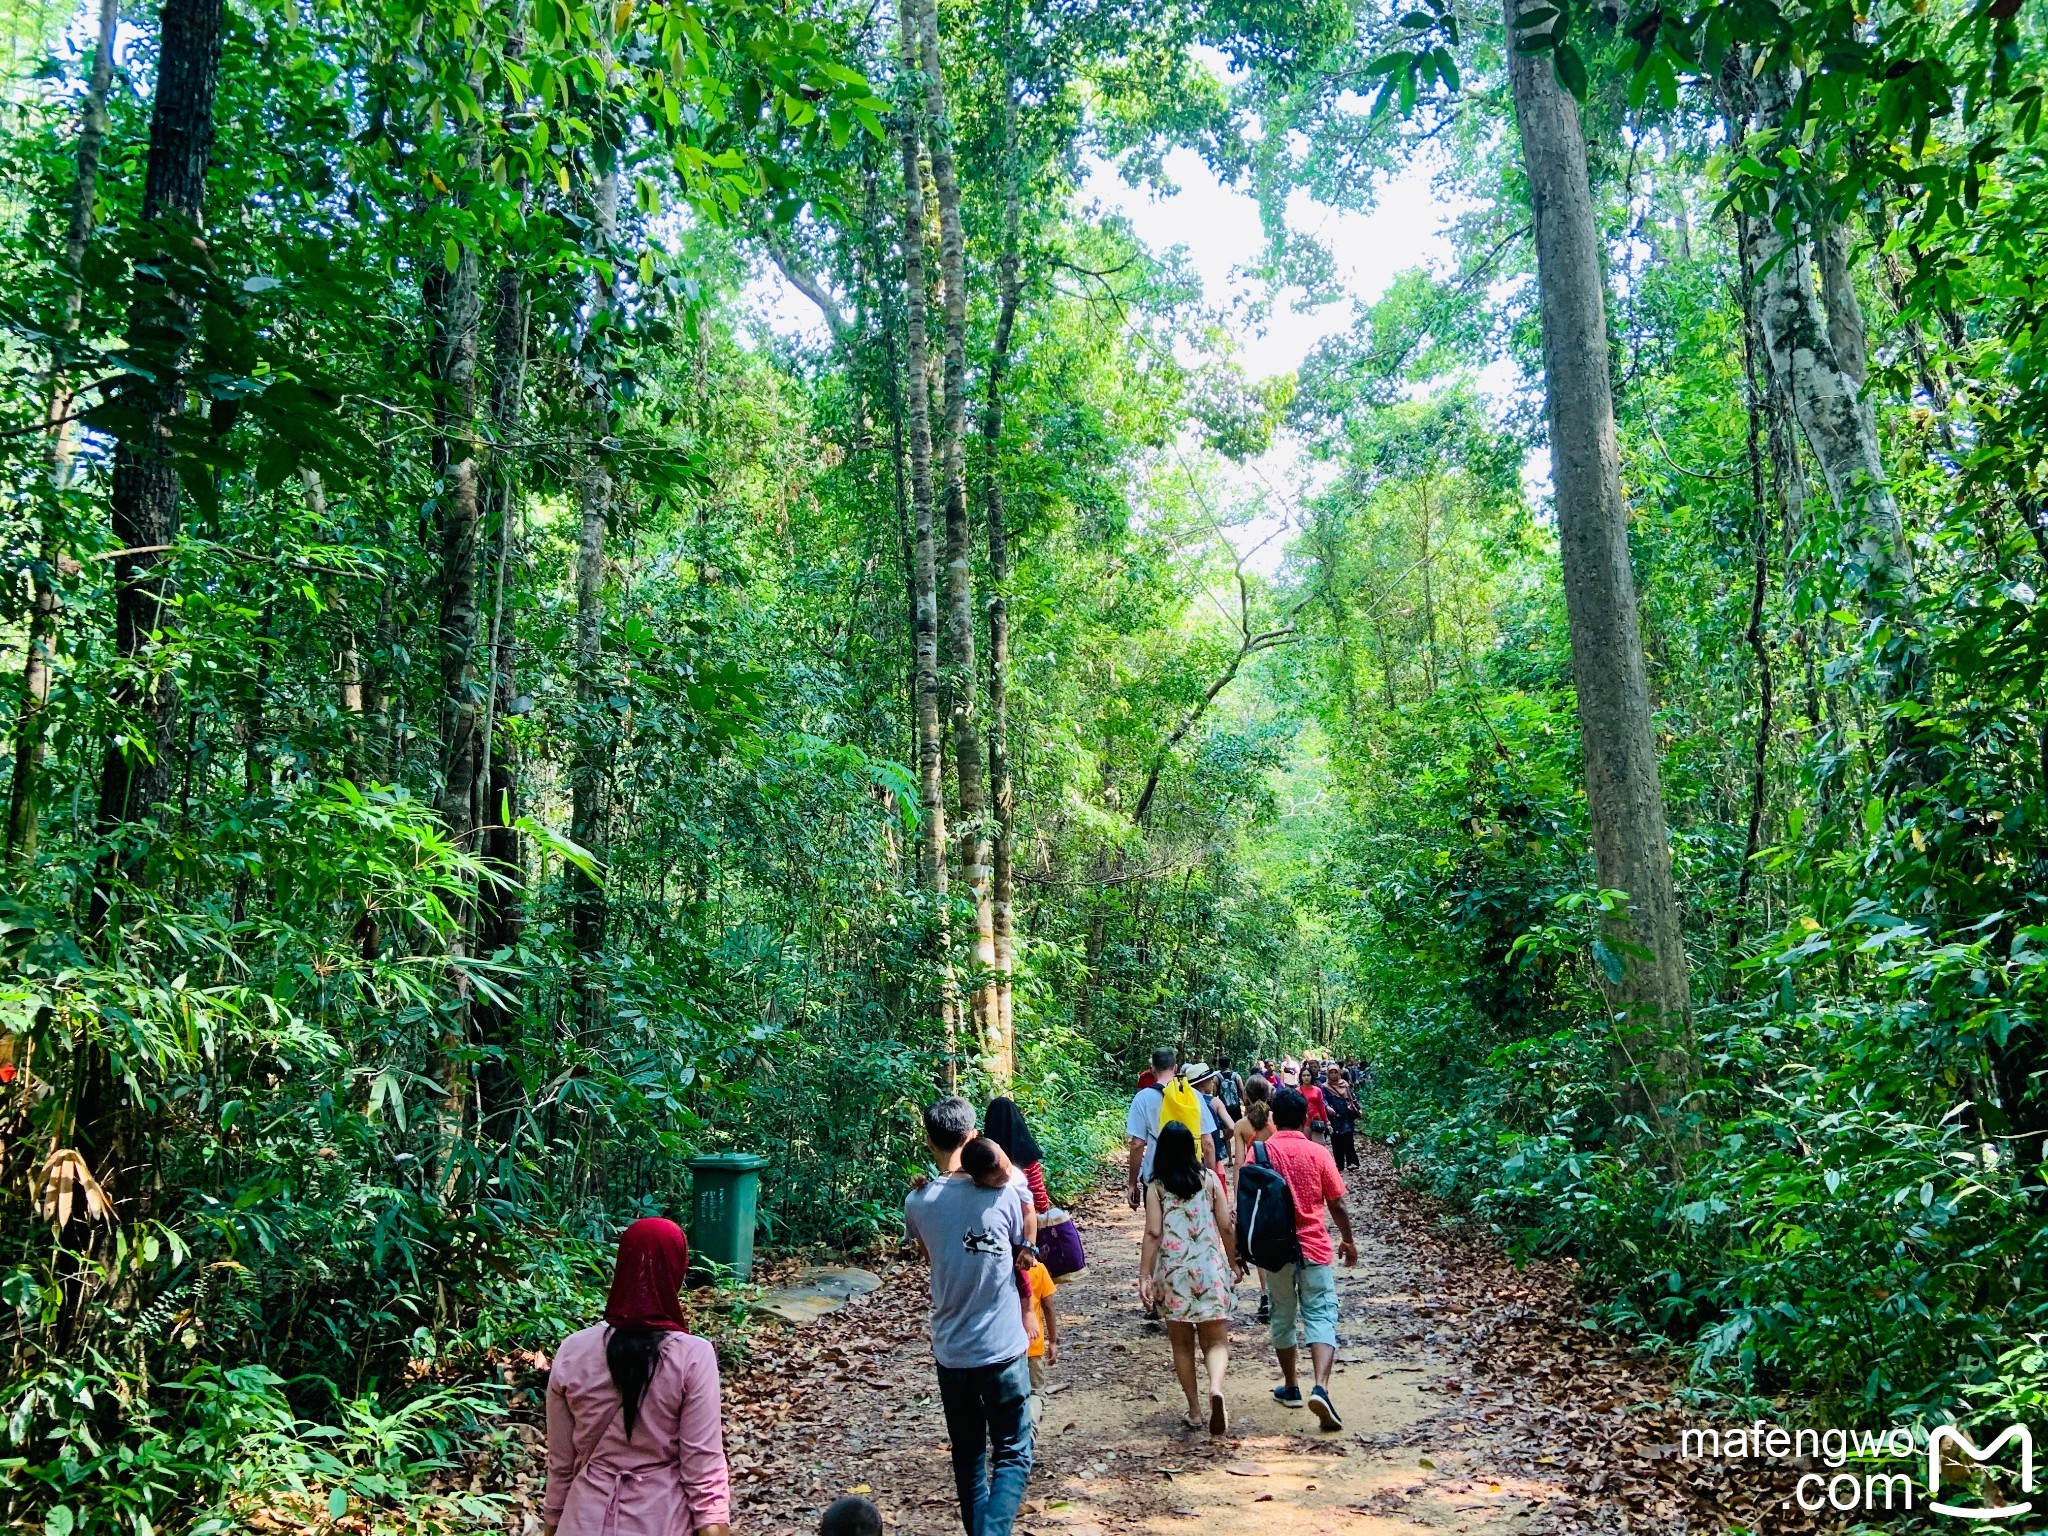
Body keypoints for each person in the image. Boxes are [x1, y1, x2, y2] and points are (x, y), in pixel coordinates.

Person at [543, 1218, 732, 1536]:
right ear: (677, 1271)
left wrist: (551, 1526)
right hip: (661, 1520)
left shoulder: (573, 1350)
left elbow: (561, 1464)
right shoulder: (692, 1356)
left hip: (582, 1519)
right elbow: (703, 1468)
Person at [904, 1097, 1035, 1536]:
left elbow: (929, 1255)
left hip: (953, 1350)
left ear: (929, 1141)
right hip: (1001, 1347)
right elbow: (1022, 1246)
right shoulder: (1004, 1193)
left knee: (968, 1459)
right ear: (974, 1135)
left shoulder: (918, 1202)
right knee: (1014, 1451)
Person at [1260, 1088, 1357, 1433]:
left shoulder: (1261, 1153)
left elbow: (1247, 1205)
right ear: (1304, 1118)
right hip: (1314, 1247)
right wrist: (1347, 1239)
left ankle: (1290, 1386)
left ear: (1273, 1116)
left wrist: (1242, 1249)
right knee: (1320, 1315)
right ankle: (1321, 1387)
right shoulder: (1318, 1153)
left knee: (1282, 1317)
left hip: (1275, 1251)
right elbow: (1338, 1203)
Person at [1138, 1122, 1237, 1437]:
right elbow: (1226, 1226)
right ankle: (1216, 1388)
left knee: (1181, 1345)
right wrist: (1234, 1263)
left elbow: (1154, 1232)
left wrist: (1144, 1273)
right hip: (1208, 1268)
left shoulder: (1156, 1187)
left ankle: (1195, 1411)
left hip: (1174, 1271)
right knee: (1216, 1340)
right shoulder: (1209, 1180)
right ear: (1192, 1148)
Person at [1125, 1048, 1218, 1208]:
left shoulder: (1142, 1098)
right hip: (1191, 1176)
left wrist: (1132, 1184)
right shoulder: (1193, 1095)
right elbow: (1208, 1143)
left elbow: (1137, 1145)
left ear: (1152, 1068)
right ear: (1175, 1067)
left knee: (1157, 1230)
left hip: (1156, 1177)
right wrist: (1211, 1181)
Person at [1228, 1076, 1275, 1324]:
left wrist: (1238, 1200)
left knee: (1260, 1243)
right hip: (1278, 1186)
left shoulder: (1241, 1125)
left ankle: (1265, 1295)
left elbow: (1238, 1164)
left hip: (1255, 1189)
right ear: (1269, 1094)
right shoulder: (1277, 1121)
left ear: (1245, 1095)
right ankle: (1283, 1294)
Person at [984, 1097, 1052, 1219]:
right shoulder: (1026, 1151)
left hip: (992, 1219)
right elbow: (1038, 1194)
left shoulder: (983, 1155)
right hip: (1025, 1221)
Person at [1023, 1251, 1057, 1421]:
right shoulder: (1038, 1269)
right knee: (1036, 1392)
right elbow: (1049, 1306)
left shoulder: (1002, 1270)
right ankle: (1031, 1426)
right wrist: (1053, 1341)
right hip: (1033, 1345)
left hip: (1006, 1347)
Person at [1187, 1064, 1237, 1173]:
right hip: (1212, 1157)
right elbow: (1232, 1127)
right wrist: (1222, 1140)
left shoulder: (1184, 1102)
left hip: (1190, 1158)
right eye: (1210, 1080)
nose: (1213, 1083)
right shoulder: (1215, 1102)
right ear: (1203, 1083)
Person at [1324, 1073, 1360, 1171]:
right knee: (1336, 1141)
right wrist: (1327, 1107)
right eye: (1332, 1072)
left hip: (1346, 1115)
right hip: (1334, 1117)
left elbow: (1352, 1097)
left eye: (1336, 1072)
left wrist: (1358, 1108)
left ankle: (1352, 1163)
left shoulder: (1345, 1084)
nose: (1334, 1075)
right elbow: (1323, 1099)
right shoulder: (1325, 1087)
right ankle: (1339, 1164)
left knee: (1348, 1139)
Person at [1299, 1062, 1330, 1147]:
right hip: (1303, 1121)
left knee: (1319, 1145)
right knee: (1306, 1145)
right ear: (1301, 1077)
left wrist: (1326, 1121)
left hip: (1316, 1119)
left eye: (1308, 1075)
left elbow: (1321, 1106)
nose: (1306, 1077)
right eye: (1304, 1075)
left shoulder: (1317, 1090)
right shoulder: (1296, 1091)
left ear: (1311, 1076)